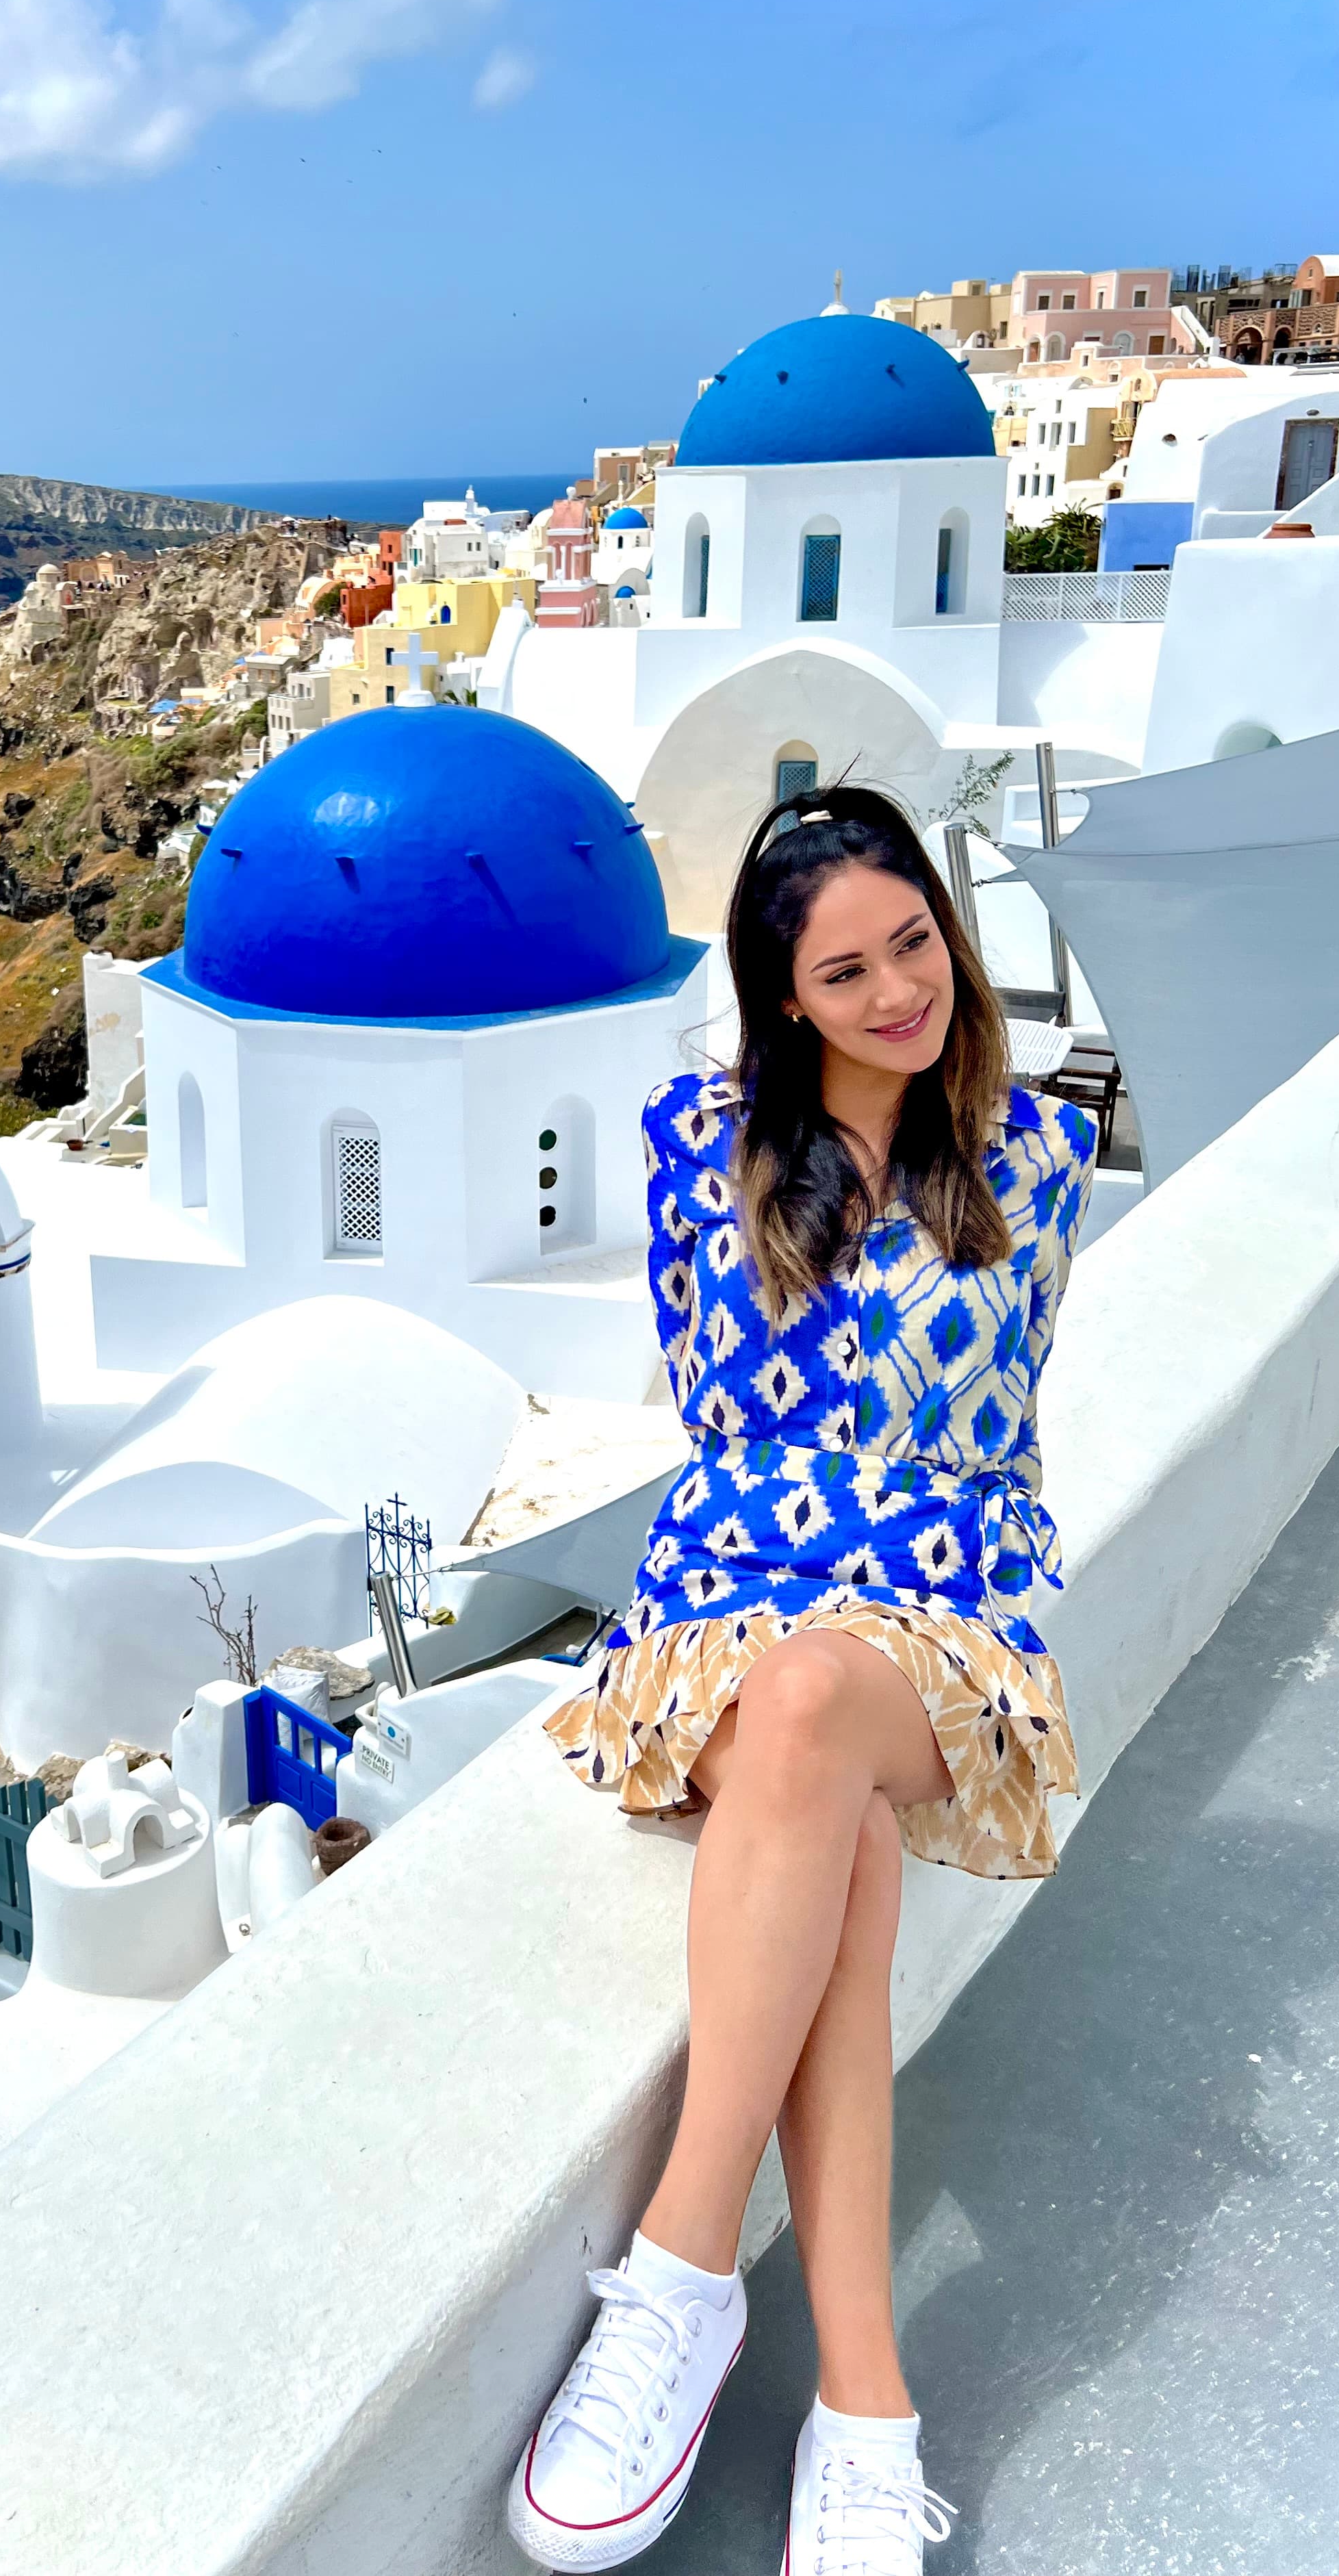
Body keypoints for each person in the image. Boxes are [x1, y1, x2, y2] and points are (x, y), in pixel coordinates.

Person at [507, 785, 1097, 2574]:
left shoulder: (1037, 1156)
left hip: (948, 1615)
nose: (897, 990)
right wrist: (820, 1182)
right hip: (731, 1609)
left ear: (946, 923)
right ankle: (865, 2403)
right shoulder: (706, 1143)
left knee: (825, 1699)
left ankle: (682, 2271)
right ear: (787, 1002)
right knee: (811, 1769)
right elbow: (726, 1419)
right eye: (843, 974)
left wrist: (910, 1198)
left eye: (912, 940)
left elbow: (983, 1450)